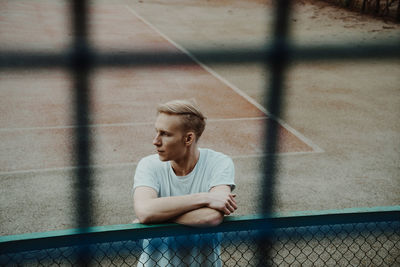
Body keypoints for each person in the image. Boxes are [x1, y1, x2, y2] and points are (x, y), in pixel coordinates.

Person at [132, 99, 237, 266]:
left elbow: (211, 217)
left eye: (165, 134)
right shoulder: (148, 165)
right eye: (156, 132)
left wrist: (157, 216)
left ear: (188, 139)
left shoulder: (219, 163)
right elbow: (144, 211)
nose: (156, 141)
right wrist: (205, 198)